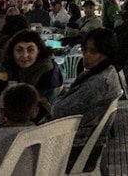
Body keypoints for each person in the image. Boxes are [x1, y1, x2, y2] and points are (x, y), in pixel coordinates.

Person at [52, 28, 123, 171]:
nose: (86, 55)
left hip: (75, 148)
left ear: (107, 53)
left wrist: (59, 98)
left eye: (93, 52)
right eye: (84, 50)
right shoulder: (108, 71)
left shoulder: (98, 82)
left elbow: (57, 112)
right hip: (81, 141)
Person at [0, 30, 65, 120]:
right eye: (19, 50)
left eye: (30, 50)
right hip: (16, 118)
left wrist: (5, 98)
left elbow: (43, 108)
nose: (25, 55)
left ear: (38, 51)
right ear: (12, 52)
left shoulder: (50, 72)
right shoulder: (8, 66)